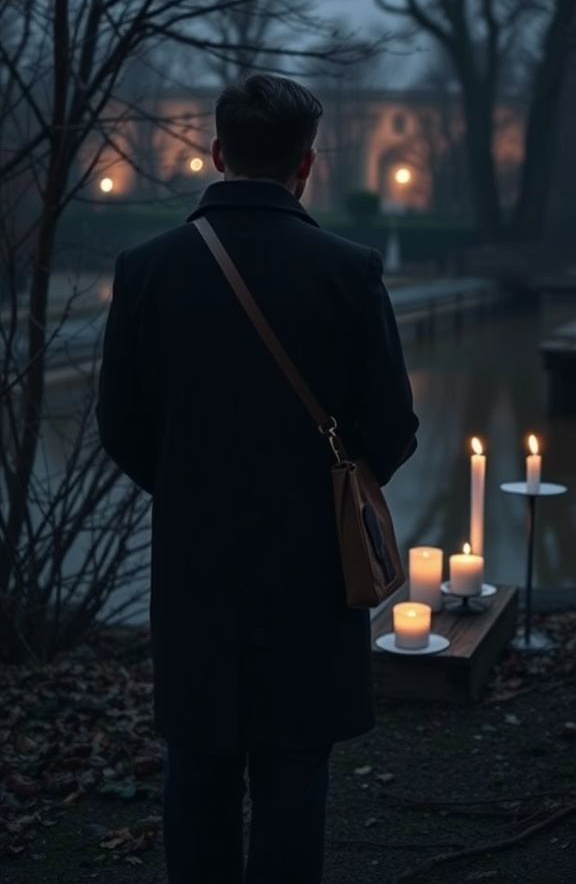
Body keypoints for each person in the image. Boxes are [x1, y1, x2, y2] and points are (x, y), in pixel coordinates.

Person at [96, 74, 419, 884]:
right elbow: (394, 429)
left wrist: (190, 489)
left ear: (215, 153)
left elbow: (120, 426)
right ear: (305, 165)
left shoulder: (146, 270)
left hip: (195, 563)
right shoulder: (350, 270)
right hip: (313, 566)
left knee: (198, 768)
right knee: (293, 777)